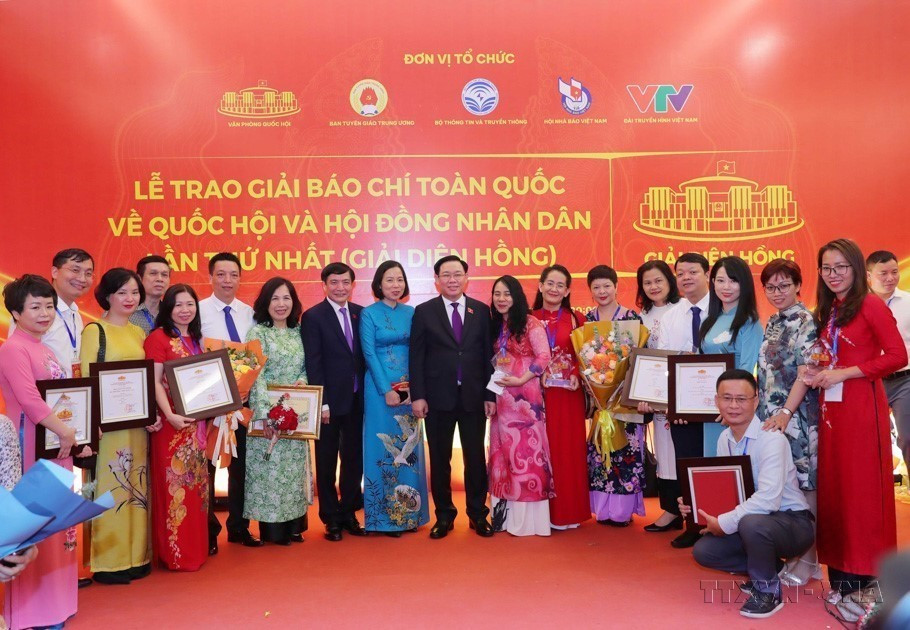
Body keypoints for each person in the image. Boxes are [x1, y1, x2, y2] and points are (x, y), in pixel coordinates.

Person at [805, 238, 907, 599]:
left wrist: (846, 373)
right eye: (827, 268)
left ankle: (866, 578)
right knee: (835, 490)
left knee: (861, 491)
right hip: (831, 409)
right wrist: (819, 370)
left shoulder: (870, 304)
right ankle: (841, 575)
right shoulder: (832, 307)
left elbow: (897, 356)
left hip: (863, 407)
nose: (833, 275)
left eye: (841, 267)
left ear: (856, 270)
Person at [681, 369, 814, 619]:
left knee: (752, 523)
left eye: (741, 399)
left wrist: (723, 522)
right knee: (704, 551)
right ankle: (768, 567)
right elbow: (724, 490)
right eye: (726, 398)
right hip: (754, 524)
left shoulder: (771, 439)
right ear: (716, 401)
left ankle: (768, 592)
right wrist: (693, 503)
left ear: (756, 400)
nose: (733, 406)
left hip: (792, 523)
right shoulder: (723, 439)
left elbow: (768, 500)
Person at [0, 275, 84, 629]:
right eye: (35, 307)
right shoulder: (12, 349)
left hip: (57, 443)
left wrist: (77, 433)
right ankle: (32, 612)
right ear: (16, 313)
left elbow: (66, 396)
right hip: (31, 446)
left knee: (57, 525)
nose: (44, 313)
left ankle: (58, 604)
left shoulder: (45, 347)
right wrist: (66, 430)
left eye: (49, 305)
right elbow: (31, 401)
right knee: (34, 527)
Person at [409, 255, 495, 539]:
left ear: (466, 278)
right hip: (437, 398)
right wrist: (418, 396)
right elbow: (416, 357)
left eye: (457, 274)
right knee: (440, 458)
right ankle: (444, 516)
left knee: (475, 459)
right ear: (436, 280)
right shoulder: (423, 311)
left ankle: (477, 514)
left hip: (473, 397)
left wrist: (489, 394)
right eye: (446, 275)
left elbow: (489, 358)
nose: (452, 280)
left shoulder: (482, 312)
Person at [79, 268, 152, 584]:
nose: (130, 298)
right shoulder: (95, 330)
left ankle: (137, 557)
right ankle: (110, 561)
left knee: (136, 484)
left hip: (136, 425)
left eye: (134, 292)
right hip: (108, 428)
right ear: (106, 295)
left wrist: (150, 414)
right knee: (111, 485)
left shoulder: (138, 333)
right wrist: (91, 421)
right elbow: (86, 379)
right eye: (122, 292)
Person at [756, 259, 821, 586]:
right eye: (770, 287)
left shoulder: (806, 321)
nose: (777, 292)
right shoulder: (773, 321)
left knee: (806, 486)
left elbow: (807, 373)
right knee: (786, 486)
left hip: (796, 417)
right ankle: (794, 556)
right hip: (772, 418)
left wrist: (786, 412)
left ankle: (809, 560)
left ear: (798, 285)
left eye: (784, 285)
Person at [360, 261, 430, 536]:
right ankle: (385, 519)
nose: (395, 285)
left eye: (399, 279)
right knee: (383, 450)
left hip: (410, 389)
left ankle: (409, 515)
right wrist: (386, 389)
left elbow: (420, 352)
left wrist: (417, 389)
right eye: (389, 280)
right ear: (378, 284)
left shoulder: (412, 313)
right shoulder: (369, 314)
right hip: (380, 391)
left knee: (408, 451)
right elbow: (369, 354)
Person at [144, 284, 210, 571]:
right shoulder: (158, 338)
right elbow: (155, 381)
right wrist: (169, 414)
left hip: (196, 425)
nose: (185, 310)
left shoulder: (196, 338)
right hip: (172, 427)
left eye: (190, 304)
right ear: (168, 308)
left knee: (197, 489)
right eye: (178, 305)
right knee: (175, 488)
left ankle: (197, 549)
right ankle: (176, 554)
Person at [198, 252, 260, 549]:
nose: (227, 280)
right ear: (210, 277)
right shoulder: (196, 311)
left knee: (241, 466)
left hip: (242, 404)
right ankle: (207, 531)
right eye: (220, 274)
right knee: (207, 469)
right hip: (209, 405)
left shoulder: (249, 313)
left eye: (233, 274)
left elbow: (254, 356)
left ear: (240, 278)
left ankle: (239, 526)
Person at [244, 278, 313, 545]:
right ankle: (272, 530)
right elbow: (255, 374)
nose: (281, 304)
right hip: (268, 416)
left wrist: (303, 384)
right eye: (275, 298)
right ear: (265, 303)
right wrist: (266, 416)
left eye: (286, 298)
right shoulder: (257, 333)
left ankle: (295, 527)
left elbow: (307, 367)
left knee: (294, 472)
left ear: (294, 302)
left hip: (295, 413)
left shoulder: (299, 332)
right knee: (269, 472)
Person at [301, 262, 366, 541]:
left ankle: (350, 512)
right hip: (329, 403)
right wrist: (322, 402)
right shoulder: (313, 316)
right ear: (324, 285)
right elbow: (314, 362)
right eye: (334, 283)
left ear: (353, 285)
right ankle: (331, 519)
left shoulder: (360, 314)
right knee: (326, 461)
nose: (341, 288)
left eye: (346, 282)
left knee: (353, 460)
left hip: (357, 399)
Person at [488, 275, 554, 536]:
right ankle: (503, 517)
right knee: (502, 452)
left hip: (526, 398)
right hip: (501, 397)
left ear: (516, 296)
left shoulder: (530, 322)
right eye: (497, 294)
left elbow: (544, 356)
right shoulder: (494, 325)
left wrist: (522, 378)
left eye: (507, 294)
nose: (502, 299)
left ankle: (528, 522)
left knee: (527, 454)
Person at [655, 252, 711, 549]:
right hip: (683, 408)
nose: (686, 278)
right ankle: (692, 524)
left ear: (707, 274)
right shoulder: (670, 317)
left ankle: (718, 525)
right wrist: (668, 403)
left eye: (693, 272)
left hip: (718, 407)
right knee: (686, 464)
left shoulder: (724, 309)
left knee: (715, 464)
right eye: (681, 273)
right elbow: (664, 364)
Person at [584, 265, 645, 527]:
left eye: (606, 286)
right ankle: (602, 508)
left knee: (625, 452)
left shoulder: (632, 318)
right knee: (600, 454)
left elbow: (639, 360)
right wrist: (594, 387)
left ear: (616, 286)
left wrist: (623, 389)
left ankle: (622, 511)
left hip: (625, 400)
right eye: (596, 287)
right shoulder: (587, 320)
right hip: (600, 401)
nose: (602, 291)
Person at [531, 264, 590, 530]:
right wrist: (535, 372)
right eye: (549, 283)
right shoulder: (528, 318)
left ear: (567, 290)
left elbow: (587, 354)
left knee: (568, 451)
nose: (554, 289)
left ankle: (568, 512)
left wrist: (579, 372)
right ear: (540, 286)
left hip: (567, 394)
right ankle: (540, 513)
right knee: (540, 452)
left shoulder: (577, 319)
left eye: (560, 285)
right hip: (535, 394)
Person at [634, 260, 684, 534]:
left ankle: (688, 509)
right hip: (655, 396)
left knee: (682, 451)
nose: (653, 287)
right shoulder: (641, 316)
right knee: (664, 451)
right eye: (647, 282)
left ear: (670, 281)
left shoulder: (685, 310)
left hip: (682, 393)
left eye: (658, 281)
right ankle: (671, 510)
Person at [699, 256, 763, 453]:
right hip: (710, 407)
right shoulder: (708, 321)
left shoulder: (750, 322)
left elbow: (746, 369)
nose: (726, 287)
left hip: (733, 410)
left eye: (733, 280)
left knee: (733, 464)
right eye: (720, 280)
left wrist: (730, 405)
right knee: (712, 462)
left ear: (744, 284)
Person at [8, 249, 95, 378]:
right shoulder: (32, 314)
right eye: (75, 270)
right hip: (42, 394)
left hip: (71, 394)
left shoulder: (75, 313)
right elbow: (16, 361)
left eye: (88, 273)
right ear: (55, 272)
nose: (82, 279)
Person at [866, 250, 910, 470]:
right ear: (868, 276)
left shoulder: (908, 302)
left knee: (908, 438)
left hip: (905, 380)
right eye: (883, 273)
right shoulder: (858, 306)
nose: (890, 278)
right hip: (870, 381)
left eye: (894, 272)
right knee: (869, 441)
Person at [129, 255, 171, 335]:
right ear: (139, 278)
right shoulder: (123, 312)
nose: (160, 279)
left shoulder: (172, 314)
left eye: (164, 275)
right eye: (153, 273)